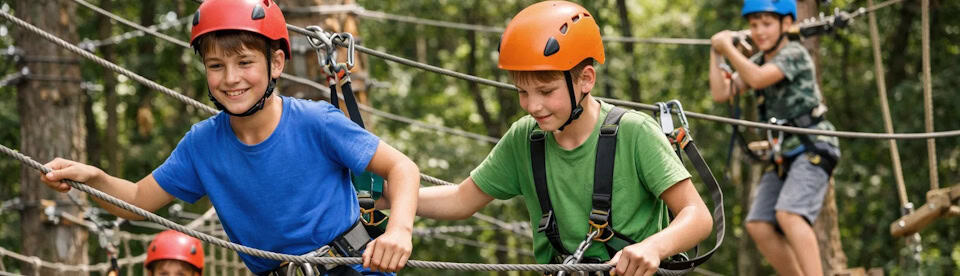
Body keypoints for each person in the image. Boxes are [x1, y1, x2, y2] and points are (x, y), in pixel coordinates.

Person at [39, 0, 420, 274]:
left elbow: (401, 168)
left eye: (244, 62)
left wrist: (399, 231)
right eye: (216, 66)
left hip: (350, 268)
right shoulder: (201, 145)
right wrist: (94, 180)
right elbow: (137, 200)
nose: (230, 79)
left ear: (276, 63)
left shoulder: (316, 122)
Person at [379, 1, 712, 275]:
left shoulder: (634, 133)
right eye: (522, 92)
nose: (532, 106)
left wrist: (655, 246)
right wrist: (384, 198)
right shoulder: (525, 138)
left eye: (546, 90)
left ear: (586, 79)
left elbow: (697, 216)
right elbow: (461, 199)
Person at [708, 0, 841, 275]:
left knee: (789, 214)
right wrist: (716, 52)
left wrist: (729, 48)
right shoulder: (757, 60)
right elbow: (722, 92)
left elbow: (756, 79)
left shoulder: (794, 53)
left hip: (812, 146)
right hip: (783, 153)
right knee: (758, 224)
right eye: (754, 25)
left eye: (767, 24)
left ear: (786, 24)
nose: (759, 32)